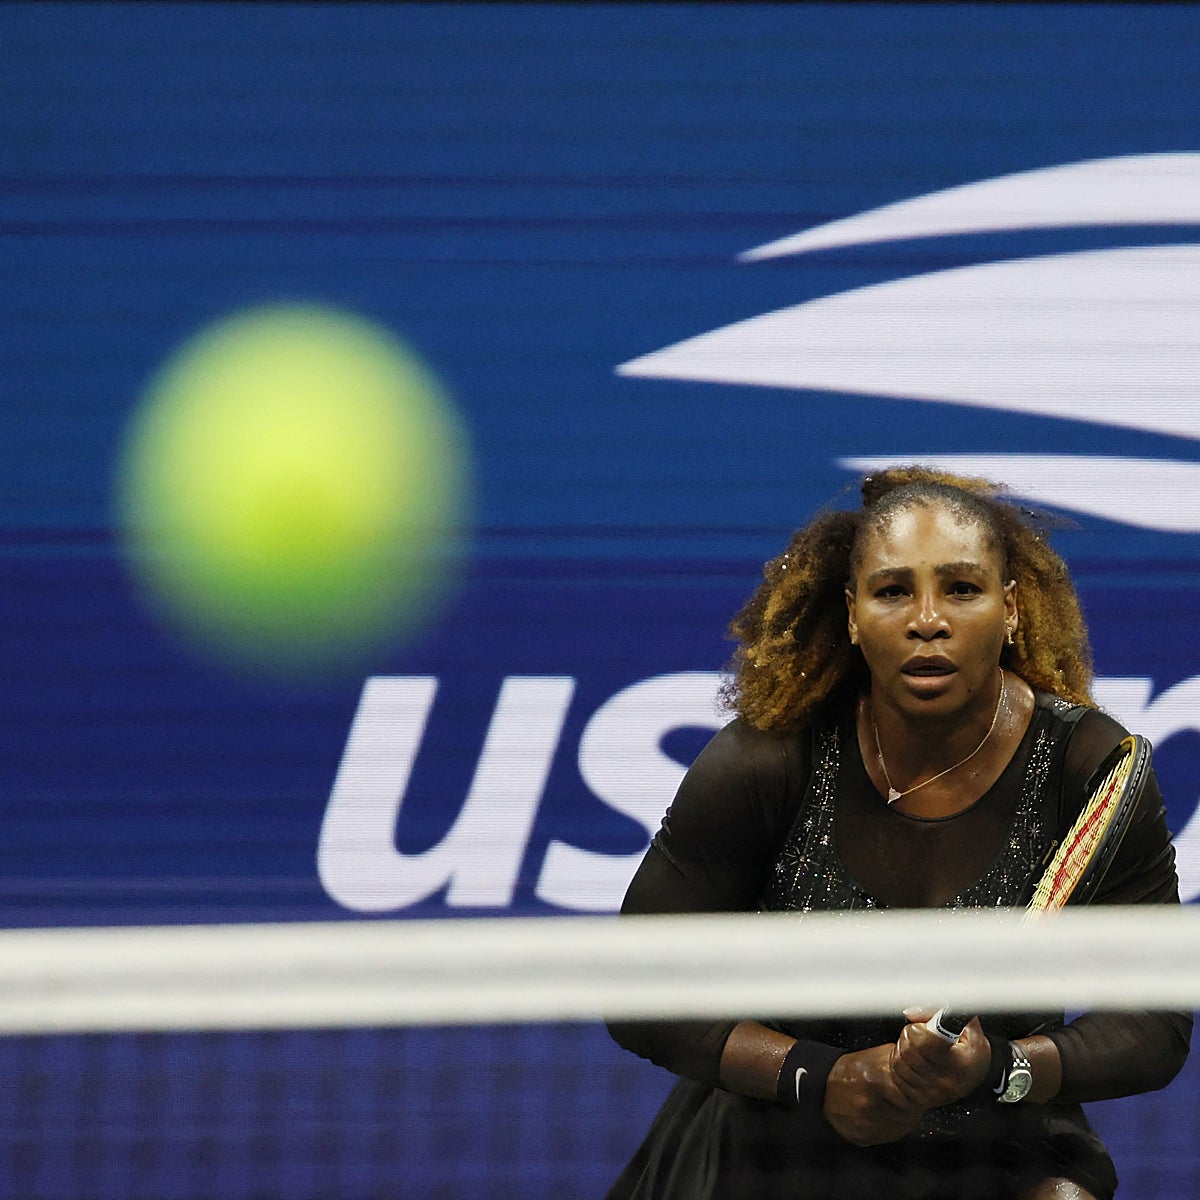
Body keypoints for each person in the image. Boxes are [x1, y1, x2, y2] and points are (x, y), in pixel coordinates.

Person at [606, 466, 1192, 1200]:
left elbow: (1155, 1021)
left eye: (962, 589)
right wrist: (820, 1077)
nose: (928, 620)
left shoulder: (1086, 767)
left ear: (1011, 609)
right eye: (892, 592)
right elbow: (633, 984)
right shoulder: (767, 760)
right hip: (775, 1130)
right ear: (852, 615)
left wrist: (999, 1067)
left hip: (996, 1131)